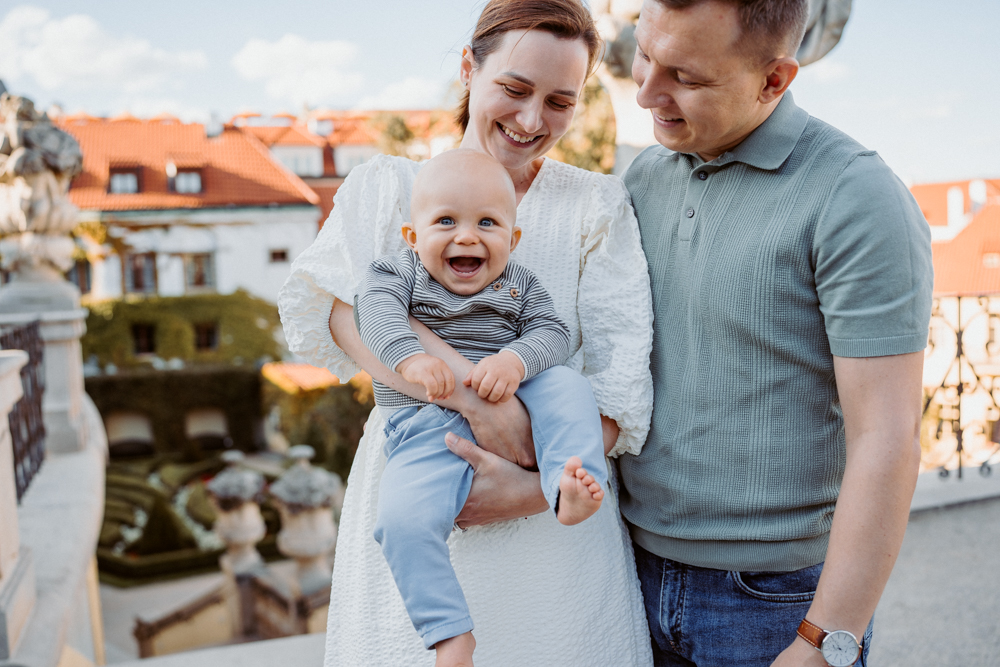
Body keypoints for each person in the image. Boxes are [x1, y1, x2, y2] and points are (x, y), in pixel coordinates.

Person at [277, 1, 655, 664]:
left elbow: (622, 380)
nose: (532, 120)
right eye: (514, 88)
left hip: (559, 534)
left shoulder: (595, 204)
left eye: (560, 101)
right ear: (467, 70)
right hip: (417, 466)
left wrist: (533, 490)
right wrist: (476, 403)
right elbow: (339, 312)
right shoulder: (387, 186)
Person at [615, 1, 933, 666]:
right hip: (627, 573)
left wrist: (826, 639)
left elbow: (888, 436)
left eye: (686, 77)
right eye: (645, 54)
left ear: (774, 79)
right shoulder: (643, 177)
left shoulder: (855, 194)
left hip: (774, 604)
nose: (646, 92)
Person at [358, 149, 608, 666]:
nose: (468, 237)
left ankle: (570, 483)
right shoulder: (399, 273)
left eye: (487, 223)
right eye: (446, 221)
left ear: (512, 240)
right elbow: (373, 312)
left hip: (516, 398)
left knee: (567, 385)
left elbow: (553, 333)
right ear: (412, 236)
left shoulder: (520, 284)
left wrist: (515, 360)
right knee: (399, 521)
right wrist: (410, 359)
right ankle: (449, 633)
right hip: (425, 426)